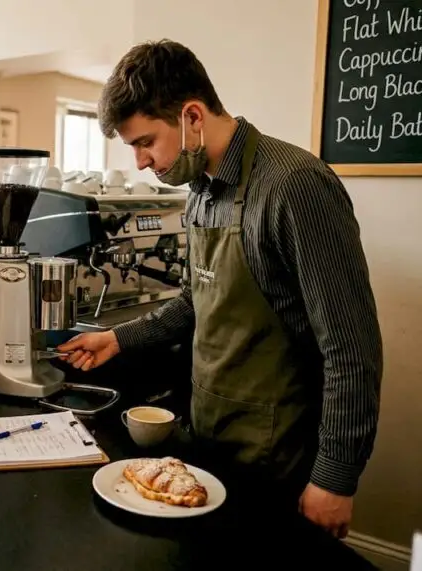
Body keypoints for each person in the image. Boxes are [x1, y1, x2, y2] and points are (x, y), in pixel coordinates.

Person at [58, 40, 383, 539]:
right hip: (210, 440)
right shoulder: (202, 194)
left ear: (192, 116)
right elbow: (196, 302)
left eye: (146, 142)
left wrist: (335, 478)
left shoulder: (294, 186)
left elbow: (351, 347)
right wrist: (118, 339)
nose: (142, 162)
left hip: (279, 457)